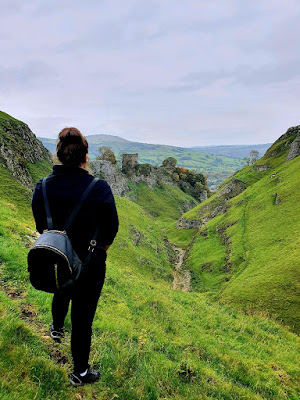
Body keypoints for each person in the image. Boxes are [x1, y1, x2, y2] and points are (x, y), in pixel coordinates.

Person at [31, 127, 118, 386]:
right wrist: (98, 249)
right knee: (82, 317)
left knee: (61, 287)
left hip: (55, 254)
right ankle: (80, 372)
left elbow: (40, 225)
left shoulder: (43, 186)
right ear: (86, 157)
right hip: (89, 262)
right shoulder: (98, 188)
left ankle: (56, 329)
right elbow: (111, 228)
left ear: (58, 154)